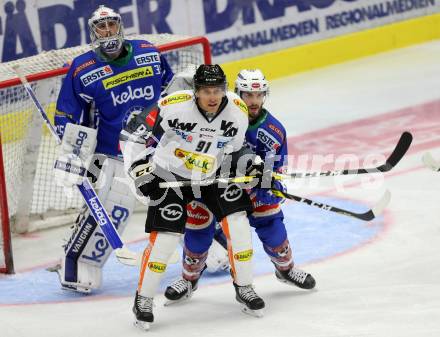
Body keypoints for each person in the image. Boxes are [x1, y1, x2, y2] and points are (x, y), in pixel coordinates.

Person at [120, 64, 265, 330]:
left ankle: (244, 287)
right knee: (165, 239)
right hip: (170, 175)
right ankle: (143, 299)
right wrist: (140, 171)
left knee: (238, 223)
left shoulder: (237, 110)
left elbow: (236, 149)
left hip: (212, 175)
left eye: (218, 90)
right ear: (195, 91)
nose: (213, 97)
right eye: (207, 91)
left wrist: (250, 161)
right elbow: (131, 136)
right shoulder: (171, 105)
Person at [164, 69, 316, 305]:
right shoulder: (223, 115)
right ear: (237, 93)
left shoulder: (273, 130)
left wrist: (268, 183)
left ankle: (285, 270)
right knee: (197, 233)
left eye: (259, 95)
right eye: (248, 95)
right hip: (212, 186)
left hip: (251, 190)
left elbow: (275, 166)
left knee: (273, 229)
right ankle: (189, 279)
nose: (254, 101)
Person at [52, 5, 174, 293]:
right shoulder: (83, 68)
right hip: (112, 153)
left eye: (111, 24)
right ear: (93, 32)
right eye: (101, 27)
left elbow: (171, 90)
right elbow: (66, 114)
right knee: (115, 212)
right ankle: (79, 263)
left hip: (157, 148)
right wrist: (72, 149)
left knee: (182, 199)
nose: (107, 31)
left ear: (120, 26)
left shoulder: (147, 51)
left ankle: (209, 250)